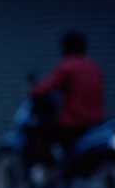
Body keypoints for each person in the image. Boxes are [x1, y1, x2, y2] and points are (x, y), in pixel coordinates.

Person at [29, 31, 105, 173]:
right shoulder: (94, 66)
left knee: (40, 133)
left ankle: (51, 169)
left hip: (73, 122)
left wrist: (34, 88)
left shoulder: (67, 67)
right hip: (96, 121)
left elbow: (44, 89)